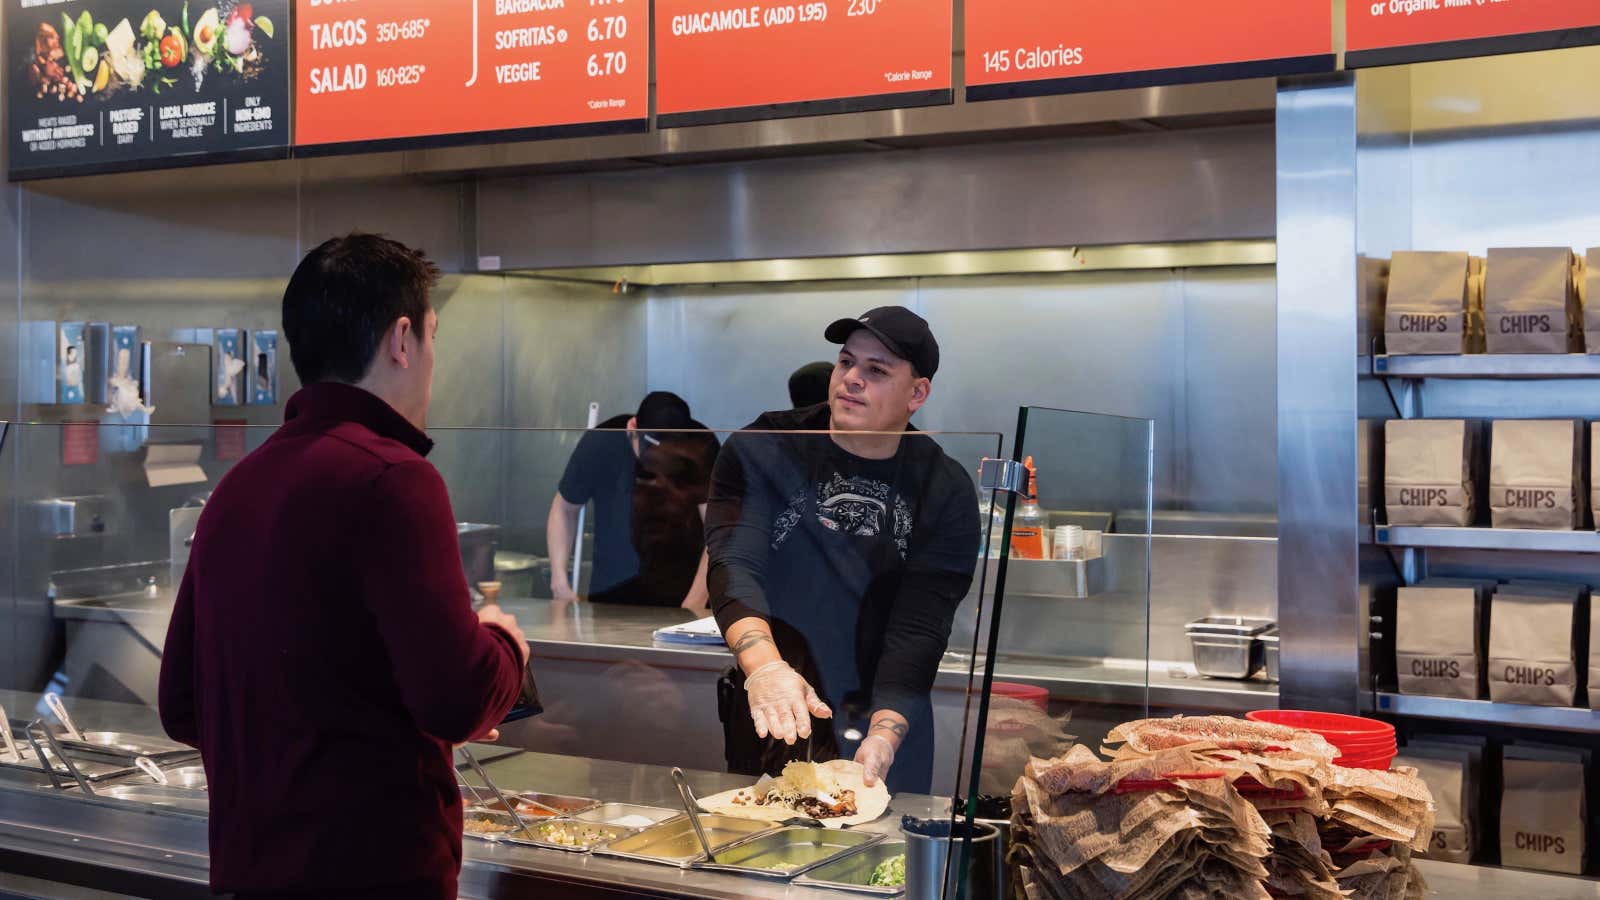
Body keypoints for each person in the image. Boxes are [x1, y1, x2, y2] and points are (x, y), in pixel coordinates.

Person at [158, 233, 529, 900]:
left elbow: (181, 705)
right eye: (434, 338)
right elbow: (457, 698)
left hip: (250, 875)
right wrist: (503, 643)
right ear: (403, 339)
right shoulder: (394, 478)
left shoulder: (238, 485)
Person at [707, 306, 980, 795]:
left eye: (876, 371)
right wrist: (765, 667)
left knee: (885, 861)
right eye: (846, 362)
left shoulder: (942, 487)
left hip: (888, 704)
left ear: (917, 393)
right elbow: (735, 562)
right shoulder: (765, 447)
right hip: (780, 699)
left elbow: (920, 623)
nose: (851, 379)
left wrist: (885, 734)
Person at [547, 392, 719, 608]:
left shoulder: (701, 446)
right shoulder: (602, 442)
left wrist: (695, 602)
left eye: (670, 457)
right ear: (632, 429)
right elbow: (565, 509)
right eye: (652, 453)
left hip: (685, 587)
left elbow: (719, 531)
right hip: (612, 592)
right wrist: (559, 581)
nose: (660, 464)